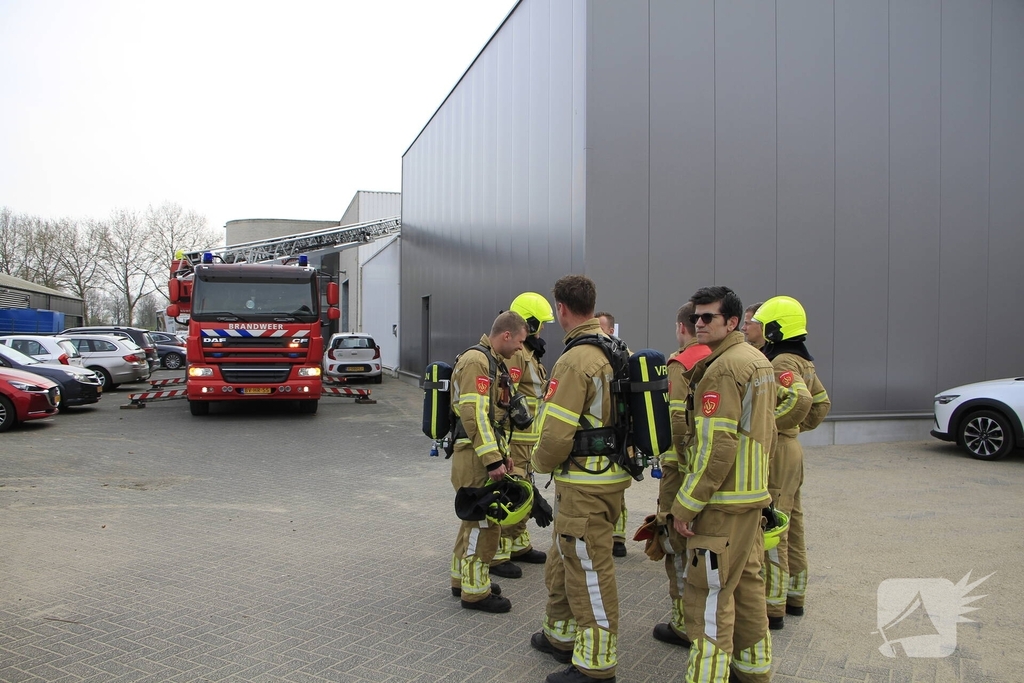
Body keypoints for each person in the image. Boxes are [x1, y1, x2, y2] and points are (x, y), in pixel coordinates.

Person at [671, 286, 776, 683]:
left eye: (708, 317)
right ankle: (753, 671)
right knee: (748, 584)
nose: (698, 324)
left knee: (708, 594)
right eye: (696, 317)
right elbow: (769, 431)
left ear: (732, 322)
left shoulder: (723, 368)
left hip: (722, 502)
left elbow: (717, 446)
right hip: (750, 498)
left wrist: (686, 505)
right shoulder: (756, 360)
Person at [530, 276, 631, 683]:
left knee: (589, 566)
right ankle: (560, 635)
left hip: (584, 482)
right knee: (566, 556)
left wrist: (537, 464)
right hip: (608, 477)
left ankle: (596, 664)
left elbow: (556, 432)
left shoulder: (575, 360)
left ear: (562, 309)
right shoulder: (613, 348)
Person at [752, 296, 831, 627]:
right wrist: (796, 428)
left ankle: (773, 606)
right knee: (793, 523)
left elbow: (802, 400)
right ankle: (795, 596)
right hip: (791, 448)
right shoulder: (803, 360)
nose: (751, 327)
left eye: (756, 322)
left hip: (780, 451)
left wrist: (771, 425)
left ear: (773, 328)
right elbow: (821, 404)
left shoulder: (783, 361)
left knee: (774, 527)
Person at [449, 310, 529, 613]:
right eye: (520, 341)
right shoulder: (477, 362)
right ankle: (475, 591)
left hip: (477, 453)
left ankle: (461, 579)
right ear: (506, 335)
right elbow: (474, 415)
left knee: (472, 522)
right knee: (486, 524)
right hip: (474, 457)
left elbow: (494, 417)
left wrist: (504, 454)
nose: (522, 348)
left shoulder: (491, 361)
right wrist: (493, 459)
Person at [651, 301, 711, 649]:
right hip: (709, 472)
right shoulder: (722, 358)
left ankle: (683, 623)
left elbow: (675, 420)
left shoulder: (681, 363)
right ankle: (704, 617)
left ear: (682, 327)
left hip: (679, 469)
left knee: (675, 541)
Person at [493, 292, 556, 573]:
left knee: (524, 491)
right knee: (512, 493)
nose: (543, 331)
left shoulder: (529, 354)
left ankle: (518, 543)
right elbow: (506, 397)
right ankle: (498, 553)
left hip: (528, 441)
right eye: (541, 324)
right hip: (517, 440)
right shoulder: (517, 356)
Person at [595, 311, 628, 558]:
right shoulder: (590, 354)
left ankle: (618, 537)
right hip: (599, 433)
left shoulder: (625, 356)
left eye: (599, 328)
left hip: (621, 431)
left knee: (618, 489)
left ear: (610, 330)